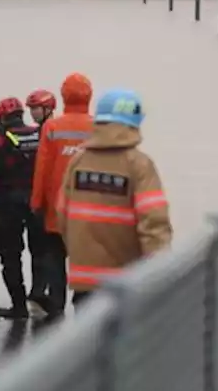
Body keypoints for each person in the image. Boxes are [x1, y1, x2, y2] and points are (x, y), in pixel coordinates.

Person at [57, 88, 173, 308]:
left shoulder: (78, 161)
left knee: (87, 341)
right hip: (126, 283)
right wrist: (160, 274)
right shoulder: (139, 165)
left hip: (84, 282)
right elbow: (154, 224)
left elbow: (62, 215)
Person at [30, 73, 95, 317]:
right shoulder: (98, 126)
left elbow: (42, 170)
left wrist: (36, 202)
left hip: (56, 210)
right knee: (84, 259)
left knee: (55, 258)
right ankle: (85, 303)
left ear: (63, 96)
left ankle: (56, 304)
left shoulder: (52, 127)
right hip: (88, 210)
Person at [0, 97, 41, 319]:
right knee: (40, 252)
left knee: (10, 255)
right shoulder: (38, 134)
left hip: (7, 204)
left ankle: (19, 305)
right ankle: (41, 298)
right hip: (35, 202)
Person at [23, 89, 57, 312]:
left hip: (47, 202)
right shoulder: (38, 133)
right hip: (36, 200)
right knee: (37, 248)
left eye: (35, 108)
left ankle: (44, 292)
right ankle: (38, 291)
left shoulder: (52, 132)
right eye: (31, 109)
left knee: (47, 250)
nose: (32, 113)